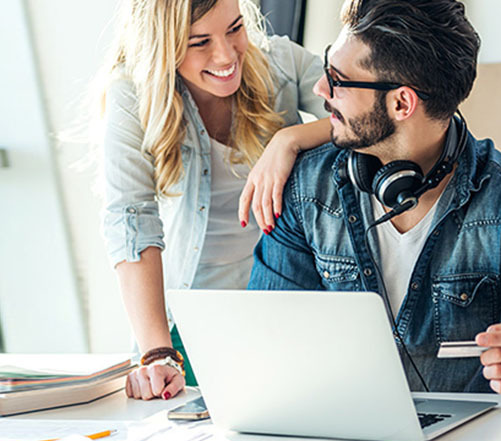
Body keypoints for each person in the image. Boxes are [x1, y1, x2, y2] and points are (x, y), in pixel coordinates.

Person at [248, 0, 501, 405]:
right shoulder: (306, 189)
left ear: (402, 103)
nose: (320, 89)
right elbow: (264, 337)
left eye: (338, 79)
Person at [98, 0, 330, 401]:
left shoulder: (281, 64)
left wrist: (289, 139)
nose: (225, 55)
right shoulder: (132, 94)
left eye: (235, 28)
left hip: (287, 310)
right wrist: (157, 353)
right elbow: (131, 220)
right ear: (163, 45)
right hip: (191, 324)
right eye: (199, 42)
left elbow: (368, 113)